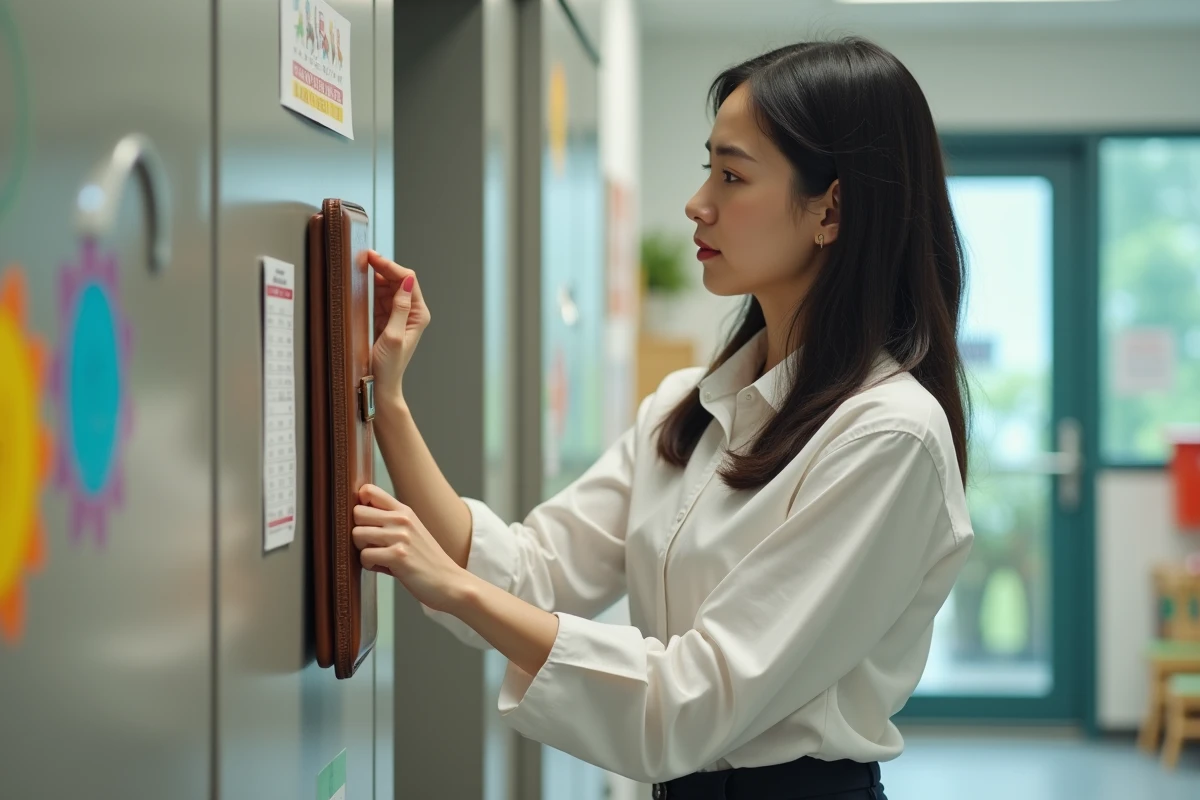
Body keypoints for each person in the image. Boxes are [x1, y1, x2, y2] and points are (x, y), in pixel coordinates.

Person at [354, 37, 974, 800]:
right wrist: (388, 405)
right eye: (707, 166)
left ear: (832, 208)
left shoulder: (889, 437)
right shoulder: (691, 405)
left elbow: (693, 701)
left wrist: (454, 589)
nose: (697, 202)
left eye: (732, 175)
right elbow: (530, 571)